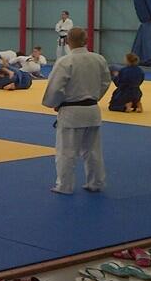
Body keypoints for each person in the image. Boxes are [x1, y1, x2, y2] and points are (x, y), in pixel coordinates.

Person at [41, 27, 111, 195]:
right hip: (93, 109)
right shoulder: (99, 59)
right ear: (86, 41)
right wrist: (94, 97)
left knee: (66, 151)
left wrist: (55, 104)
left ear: (67, 41)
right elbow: (105, 83)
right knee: (93, 150)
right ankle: (96, 182)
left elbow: (56, 88)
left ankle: (64, 186)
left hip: (72, 112)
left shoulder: (65, 62)